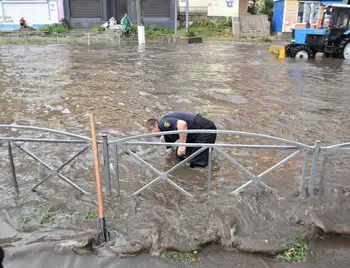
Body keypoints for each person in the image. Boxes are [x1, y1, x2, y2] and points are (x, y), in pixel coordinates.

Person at [146, 112, 217, 168]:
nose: (154, 135)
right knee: (185, 156)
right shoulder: (165, 131)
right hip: (194, 134)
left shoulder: (162, 123)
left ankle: (208, 175)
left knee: (198, 163)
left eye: (151, 132)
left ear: (153, 127)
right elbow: (169, 149)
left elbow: (182, 124)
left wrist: (182, 145)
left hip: (205, 129)